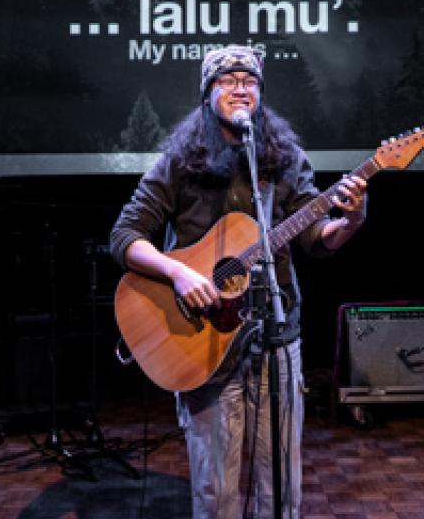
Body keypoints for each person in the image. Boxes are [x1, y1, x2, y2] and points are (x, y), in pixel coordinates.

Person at [108, 44, 368, 519]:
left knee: (281, 482)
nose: (240, 88)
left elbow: (315, 236)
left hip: (275, 337)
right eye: (227, 81)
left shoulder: (284, 161)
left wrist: (350, 222)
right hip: (203, 343)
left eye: (249, 81)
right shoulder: (179, 163)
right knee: (217, 488)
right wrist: (181, 272)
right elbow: (124, 236)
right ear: (207, 95)